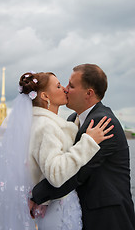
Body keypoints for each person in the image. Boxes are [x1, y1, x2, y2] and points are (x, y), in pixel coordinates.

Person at [0, 71, 113, 230]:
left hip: (52, 207)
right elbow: (56, 174)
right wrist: (88, 143)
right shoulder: (46, 127)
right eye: (58, 86)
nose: (64, 88)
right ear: (45, 96)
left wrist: (42, 200)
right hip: (60, 212)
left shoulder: (38, 124)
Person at [30, 64, 135, 230]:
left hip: (108, 217)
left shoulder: (104, 123)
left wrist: (36, 196)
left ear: (89, 93)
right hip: (83, 214)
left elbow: (78, 173)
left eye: (71, 86)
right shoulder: (72, 119)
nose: (65, 89)